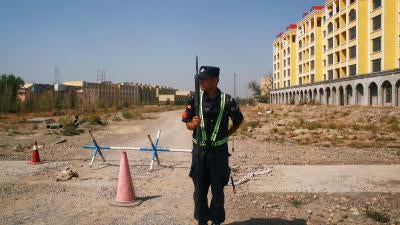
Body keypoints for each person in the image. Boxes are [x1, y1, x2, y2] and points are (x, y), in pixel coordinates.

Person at [182, 66, 244, 225]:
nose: (201, 82)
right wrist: (192, 124)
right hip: (199, 154)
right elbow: (186, 123)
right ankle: (202, 221)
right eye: (200, 79)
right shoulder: (194, 99)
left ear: (216, 80)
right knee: (199, 193)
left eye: (205, 78)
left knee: (218, 192)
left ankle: (216, 221)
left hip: (218, 155)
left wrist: (226, 135)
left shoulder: (227, 100)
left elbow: (238, 120)